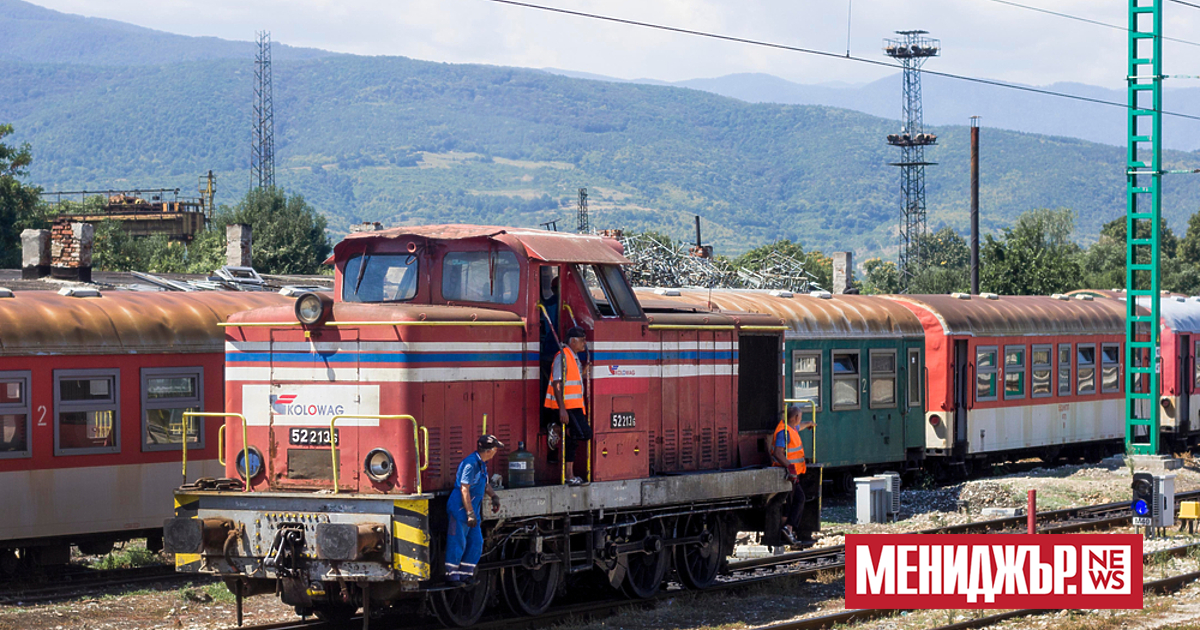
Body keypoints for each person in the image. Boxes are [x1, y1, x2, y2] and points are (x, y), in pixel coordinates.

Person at [444, 434, 504, 584]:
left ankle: (466, 574)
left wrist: (493, 496)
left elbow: (485, 484)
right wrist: (469, 513)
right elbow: (464, 489)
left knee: (476, 542)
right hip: (460, 508)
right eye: (496, 448)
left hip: (473, 509)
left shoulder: (481, 463)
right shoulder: (471, 464)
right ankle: (451, 574)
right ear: (489, 450)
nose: (496, 451)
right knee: (458, 540)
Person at [545, 327, 591, 485]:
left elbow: (571, 379)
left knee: (574, 439)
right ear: (572, 341)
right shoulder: (562, 356)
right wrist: (562, 409)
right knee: (584, 433)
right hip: (568, 407)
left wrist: (583, 372)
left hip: (576, 406)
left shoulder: (574, 357)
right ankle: (556, 428)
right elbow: (557, 382)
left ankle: (569, 475)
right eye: (582, 339)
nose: (585, 343)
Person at [772, 404, 815, 545]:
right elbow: (778, 453)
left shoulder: (790, 428)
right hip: (786, 473)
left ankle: (785, 531)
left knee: (790, 504)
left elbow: (798, 427)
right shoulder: (783, 433)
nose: (800, 421)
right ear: (796, 417)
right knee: (798, 499)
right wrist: (789, 467)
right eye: (800, 418)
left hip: (791, 473)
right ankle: (788, 528)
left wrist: (808, 424)